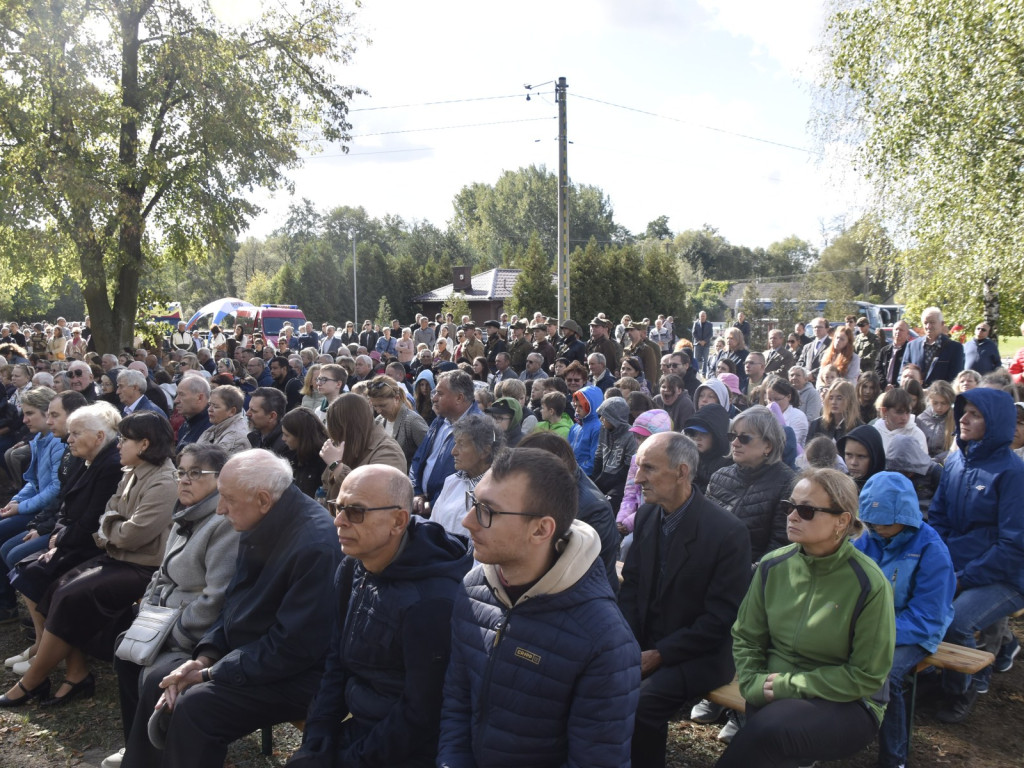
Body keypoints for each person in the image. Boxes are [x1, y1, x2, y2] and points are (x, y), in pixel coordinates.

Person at [115, 450, 341, 768]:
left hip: (304, 673)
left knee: (196, 706)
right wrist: (204, 657)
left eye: (227, 499)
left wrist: (211, 673)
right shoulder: (265, 518)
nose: (220, 510)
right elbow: (233, 605)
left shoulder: (315, 545)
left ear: (263, 499)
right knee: (163, 681)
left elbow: (293, 649)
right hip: (257, 656)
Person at [438, 448, 641, 768]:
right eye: (473, 502)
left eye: (486, 511)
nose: (467, 521)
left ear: (541, 529)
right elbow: (457, 704)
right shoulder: (474, 588)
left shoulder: (604, 641)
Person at [288, 465, 471, 768]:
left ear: (398, 521)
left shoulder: (432, 601)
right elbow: (336, 661)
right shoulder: (352, 567)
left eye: (355, 512)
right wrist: (317, 740)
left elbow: (420, 712)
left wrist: (349, 761)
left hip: (409, 748)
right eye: (337, 507)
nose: (338, 521)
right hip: (364, 727)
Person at [717, 468, 895, 768]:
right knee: (769, 741)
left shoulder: (869, 583)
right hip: (770, 689)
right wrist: (750, 681)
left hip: (847, 702)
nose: (792, 516)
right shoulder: (773, 565)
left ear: (842, 521)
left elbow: (867, 675)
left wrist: (789, 685)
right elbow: (747, 635)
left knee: (767, 734)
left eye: (807, 510)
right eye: (790, 506)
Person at [2, 412, 177, 708]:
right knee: (57, 587)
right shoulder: (132, 471)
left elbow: (132, 533)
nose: (118, 444)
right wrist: (111, 529)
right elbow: (108, 516)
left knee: (70, 594)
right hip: (119, 557)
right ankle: (74, 675)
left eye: (124, 439)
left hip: (143, 567)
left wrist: (109, 531)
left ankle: (33, 680)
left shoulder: (164, 481)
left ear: (144, 444)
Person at [618, 432, 752, 768]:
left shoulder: (727, 533)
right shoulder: (648, 516)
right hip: (648, 645)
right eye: (638, 467)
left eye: (648, 468)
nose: (638, 478)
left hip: (700, 654)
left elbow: (720, 619)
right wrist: (628, 644)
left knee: (642, 703)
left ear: (681, 472)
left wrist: (659, 655)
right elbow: (631, 587)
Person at [105, 444, 238, 768]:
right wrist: (146, 614)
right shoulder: (184, 516)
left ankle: (148, 757)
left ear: (221, 480)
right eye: (181, 473)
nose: (185, 481)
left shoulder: (224, 523)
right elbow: (160, 576)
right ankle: (137, 743)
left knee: (156, 675)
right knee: (126, 651)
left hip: (201, 635)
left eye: (196, 473)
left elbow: (215, 598)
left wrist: (171, 634)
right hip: (167, 618)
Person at [929, 387, 1024, 723]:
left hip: (1006, 577)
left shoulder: (1013, 472)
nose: (964, 419)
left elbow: (1013, 545)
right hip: (957, 565)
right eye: (963, 411)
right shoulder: (955, 460)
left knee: (957, 620)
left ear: (995, 422)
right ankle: (929, 674)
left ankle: (963, 688)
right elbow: (938, 517)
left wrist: (962, 580)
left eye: (975, 414)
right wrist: (936, 564)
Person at [854, 472, 956, 768]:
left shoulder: (931, 549)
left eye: (885, 521)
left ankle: (894, 757)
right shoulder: (869, 538)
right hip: (871, 625)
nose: (877, 528)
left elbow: (928, 615)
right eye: (871, 521)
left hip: (917, 631)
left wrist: (875, 633)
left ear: (906, 516)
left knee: (885, 674)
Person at [0, 387, 62, 623]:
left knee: (8, 545)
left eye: (29, 414)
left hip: (46, 512)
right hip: (36, 508)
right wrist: (14, 501)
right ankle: (8, 604)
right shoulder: (39, 439)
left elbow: (55, 490)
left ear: (47, 413)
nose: (24, 420)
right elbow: (33, 481)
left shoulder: (58, 444)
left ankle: (17, 604)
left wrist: (21, 508)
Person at [409, 370, 482, 512]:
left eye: (440, 394)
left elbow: (471, 480)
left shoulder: (478, 429)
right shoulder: (440, 420)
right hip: (423, 505)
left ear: (459, 398)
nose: (434, 398)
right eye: (435, 393)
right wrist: (417, 492)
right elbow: (418, 459)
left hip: (449, 514)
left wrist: (434, 504)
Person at [319, 393, 406, 503]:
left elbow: (372, 494)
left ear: (351, 427)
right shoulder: (349, 444)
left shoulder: (388, 451)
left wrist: (336, 466)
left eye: (339, 432)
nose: (336, 438)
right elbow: (327, 487)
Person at [428, 414, 504, 539]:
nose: (453, 452)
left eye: (461, 444)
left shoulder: (498, 489)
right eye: (455, 443)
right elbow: (433, 525)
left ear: (485, 451)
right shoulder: (452, 482)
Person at [365, 375, 428, 468]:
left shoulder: (413, 421)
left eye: (383, 405)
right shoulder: (379, 420)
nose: (378, 410)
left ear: (397, 398)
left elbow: (428, 456)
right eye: (375, 406)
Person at [591, 396, 637, 514]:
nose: (601, 419)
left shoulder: (630, 436)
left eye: (605, 416)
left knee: (608, 504)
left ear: (615, 418)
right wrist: (596, 477)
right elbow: (599, 453)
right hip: (604, 475)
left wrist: (607, 481)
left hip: (620, 481)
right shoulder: (603, 429)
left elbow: (628, 466)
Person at [900, 306, 965, 386]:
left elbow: (955, 378)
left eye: (932, 322)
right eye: (925, 323)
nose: (928, 326)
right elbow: (902, 373)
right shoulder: (912, 346)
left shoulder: (955, 348)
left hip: (940, 396)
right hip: (915, 396)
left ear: (942, 324)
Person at [280, 408, 328, 498]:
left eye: (287, 435)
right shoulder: (288, 453)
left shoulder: (324, 461)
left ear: (301, 437)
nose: (283, 439)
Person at [872, 386, 929, 456]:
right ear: (885, 411)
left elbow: (922, 464)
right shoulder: (874, 432)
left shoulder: (916, 435)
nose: (904, 418)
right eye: (899, 412)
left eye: (908, 412)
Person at [197, 385, 250, 456]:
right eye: (210, 404)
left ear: (232, 411)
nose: (209, 409)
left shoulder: (236, 438)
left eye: (215, 406)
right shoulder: (216, 427)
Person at [244, 387, 295, 461]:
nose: (247, 413)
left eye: (253, 411)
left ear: (272, 416)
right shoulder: (256, 436)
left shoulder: (286, 446)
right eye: (249, 408)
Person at [806, 379, 862, 444]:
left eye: (839, 398)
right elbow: (808, 451)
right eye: (831, 398)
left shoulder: (859, 428)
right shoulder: (816, 424)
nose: (833, 402)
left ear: (850, 401)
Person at [916, 379, 956, 461]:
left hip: (945, 462)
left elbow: (955, 448)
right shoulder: (921, 419)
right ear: (929, 400)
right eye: (935, 403)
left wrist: (937, 459)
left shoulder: (956, 420)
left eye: (943, 403)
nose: (939, 407)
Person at [836, 424, 886, 489]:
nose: (853, 463)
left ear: (875, 458)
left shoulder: (884, 488)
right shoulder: (839, 487)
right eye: (848, 455)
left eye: (861, 456)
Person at [764, 376, 809, 448]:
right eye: (769, 399)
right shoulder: (764, 414)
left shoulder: (798, 416)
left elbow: (790, 444)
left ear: (788, 397)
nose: (772, 404)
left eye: (777, 399)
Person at [568, 385, 603, 476]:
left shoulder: (598, 428)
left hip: (585, 477)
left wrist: (576, 472)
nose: (577, 410)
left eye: (581, 406)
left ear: (592, 405)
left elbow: (594, 460)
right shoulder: (575, 427)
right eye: (576, 406)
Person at [173, 375, 211, 450]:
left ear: (200, 398)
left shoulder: (211, 428)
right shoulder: (187, 422)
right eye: (177, 394)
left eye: (182, 394)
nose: (176, 400)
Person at [876, 319, 912, 390]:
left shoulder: (910, 350)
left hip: (901, 390)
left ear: (907, 333)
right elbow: (878, 368)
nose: (898, 332)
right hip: (884, 389)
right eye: (896, 329)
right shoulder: (885, 350)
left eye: (901, 330)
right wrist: (885, 384)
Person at [799, 317, 832, 382]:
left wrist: (813, 374)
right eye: (815, 327)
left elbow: (830, 364)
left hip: (823, 382)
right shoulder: (807, 346)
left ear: (827, 329)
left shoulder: (831, 345)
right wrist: (804, 373)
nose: (817, 329)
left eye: (820, 327)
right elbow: (800, 362)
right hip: (806, 382)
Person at [691, 311, 714, 376]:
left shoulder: (709, 324)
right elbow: (693, 333)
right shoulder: (696, 323)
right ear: (699, 316)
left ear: (706, 316)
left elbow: (710, 334)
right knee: (696, 359)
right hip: (697, 344)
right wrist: (699, 341)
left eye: (703, 316)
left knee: (705, 360)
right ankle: (696, 372)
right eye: (701, 316)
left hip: (706, 344)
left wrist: (704, 341)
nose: (702, 317)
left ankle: (704, 373)